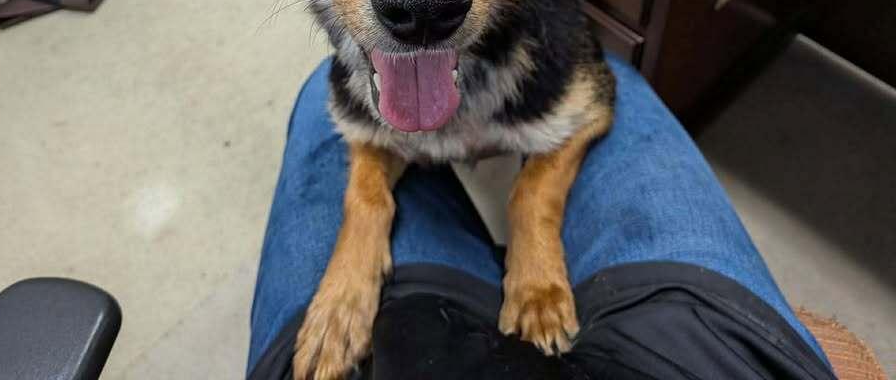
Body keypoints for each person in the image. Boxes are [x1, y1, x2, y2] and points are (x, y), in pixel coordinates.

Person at [246, 56, 837, 380]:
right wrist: (366, 213)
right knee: (617, 78)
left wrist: (533, 209)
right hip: (702, 356)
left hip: (396, 350)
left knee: (319, 94)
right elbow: (596, 99)